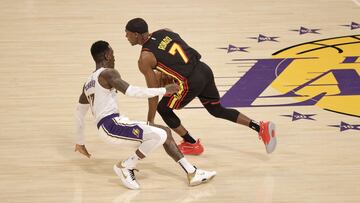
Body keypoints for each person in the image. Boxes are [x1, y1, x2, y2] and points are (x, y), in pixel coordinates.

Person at [74, 40, 216, 190]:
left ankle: (192, 173)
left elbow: (79, 112)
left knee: (165, 133)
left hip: (111, 125)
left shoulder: (88, 83)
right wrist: (163, 90)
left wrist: (80, 142)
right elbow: (131, 91)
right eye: (113, 55)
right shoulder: (108, 73)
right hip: (112, 126)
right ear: (108, 55)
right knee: (159, 135)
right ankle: (126, 166)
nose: (115, 58)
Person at [124, 18, 277, 155]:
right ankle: (260, 127)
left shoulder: (145, 58)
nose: (126, 37)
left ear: (137, 35)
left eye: (128, 33)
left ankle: (191, 143)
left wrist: (150, 121)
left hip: (190, 82)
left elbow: (153, 93)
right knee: (216, 109)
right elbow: (176, 55)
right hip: (203, 69)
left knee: (163, 108)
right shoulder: (165, 31)